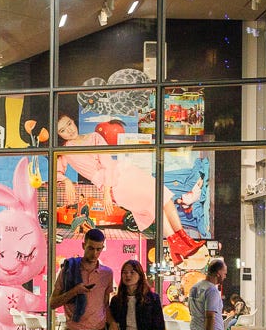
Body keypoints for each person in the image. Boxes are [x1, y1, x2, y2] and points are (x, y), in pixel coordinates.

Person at [56, 112, 203, 263]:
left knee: (163, 194)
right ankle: (176, 246)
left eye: (69, 124)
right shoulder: (65, 151)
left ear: (73, 121)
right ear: (59, 135)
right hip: (116, 186)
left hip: (124, 171)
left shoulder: (94, 136)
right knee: (154, 201)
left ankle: (184, 241)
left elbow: (107, 162)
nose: (69, 130)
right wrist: (66, 180)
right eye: (62, 130)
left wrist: (106, 189)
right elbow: (55, 172)